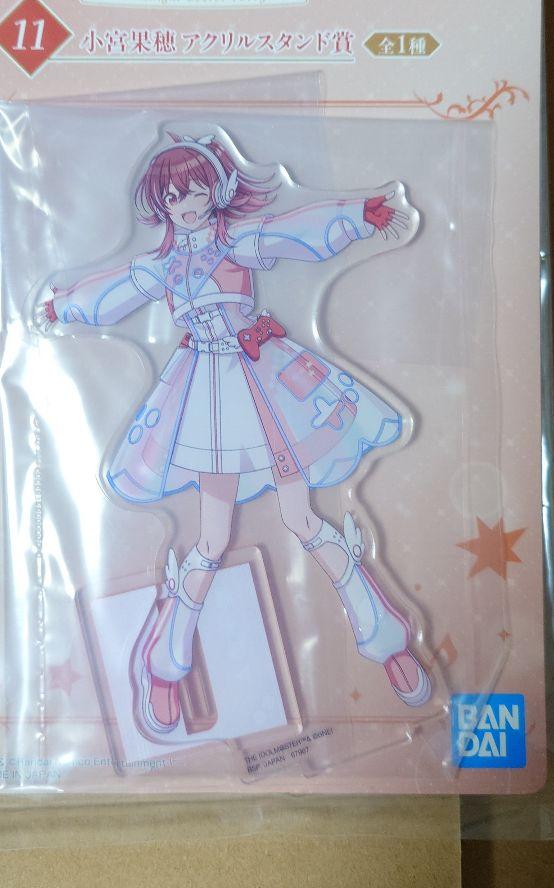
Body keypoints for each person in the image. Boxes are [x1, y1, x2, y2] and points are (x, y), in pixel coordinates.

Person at [34, 132, 431, 740]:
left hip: (265, 385)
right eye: (173, 196)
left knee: (303, 518)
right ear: (159, 205)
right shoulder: (161, 266)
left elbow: (293, 232)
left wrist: (358, 215)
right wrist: (62, 307)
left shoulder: (237, 241)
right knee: (212, 537)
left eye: (195, 190)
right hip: (209, 400)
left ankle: (388, 642)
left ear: (215, 188)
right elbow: (112, 291)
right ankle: (165, 666)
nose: (186, 204)